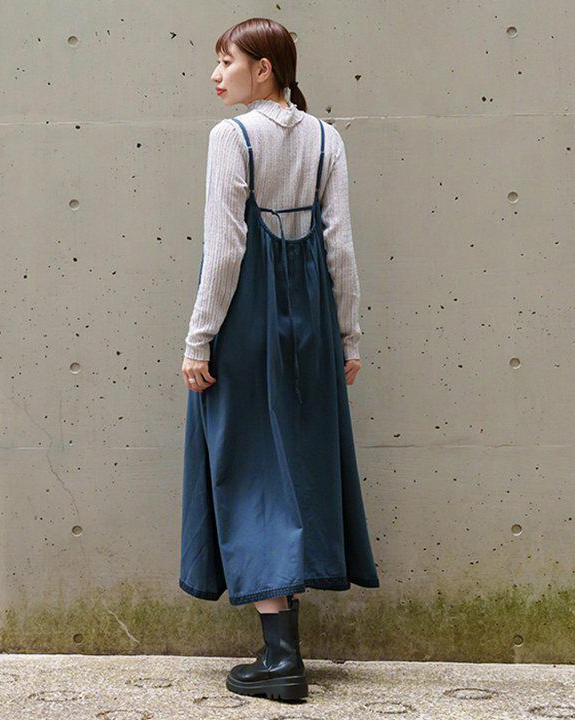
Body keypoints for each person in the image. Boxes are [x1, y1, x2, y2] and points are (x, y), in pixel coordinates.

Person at [179, 17, 380, 702]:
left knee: (250, 471)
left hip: (247, 325)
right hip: (312, 326)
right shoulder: (326, 139)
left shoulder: (231, 137)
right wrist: (348, 338)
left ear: (263, 68)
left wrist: (198, 340)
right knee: (295, 468)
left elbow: (225, 250)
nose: (216, 75)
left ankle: (282, 660)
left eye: (226, 61)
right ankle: (281, 654)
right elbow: (339, 248)